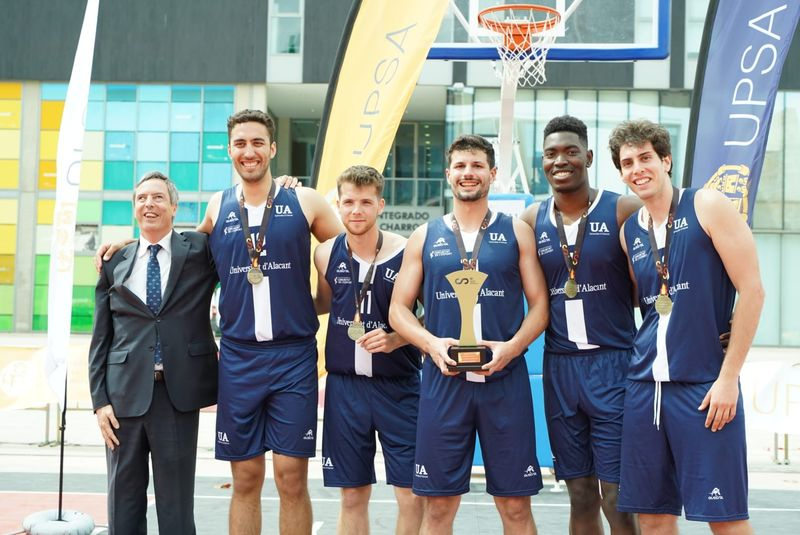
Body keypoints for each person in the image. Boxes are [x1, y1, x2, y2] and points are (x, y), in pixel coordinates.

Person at [389, 134, 550, 534]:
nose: (468, 173)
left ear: (493, 174)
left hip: (503, 382)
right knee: (439, 510)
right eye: (460, 166)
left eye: (477, 165)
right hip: (444, 385)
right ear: (448, 175)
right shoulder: (425, 236)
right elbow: (397, 310)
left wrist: (513, 349)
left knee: (515, 507)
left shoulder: (517, 232)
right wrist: (430, 343)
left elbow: (541, 307)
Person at [610, 119, 764, 534]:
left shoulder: (707, 205)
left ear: (666, 160)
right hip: (645, 389)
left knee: (725, 519)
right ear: (621, 173)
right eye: (627, 163)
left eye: (646, 158)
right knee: (654, 520)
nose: (637, 168)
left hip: (703, 387)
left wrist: (728, 377)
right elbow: (650, 312)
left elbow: (752, 291)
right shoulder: (630, 233)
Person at [196, 109, 342, 535]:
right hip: (239, 358)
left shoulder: (305, 200)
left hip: (293, 357)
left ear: (273, 148)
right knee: (245, 478)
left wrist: (318, 302)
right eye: (240, 143)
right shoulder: (217, 204)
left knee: (291, 477)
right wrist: (132, 243)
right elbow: (181, 250)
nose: (249, 151)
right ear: (230, 151)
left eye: (258, 142)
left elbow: (351, 251)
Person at [519, 115, 640, 534]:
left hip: (616, 365)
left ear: (588, 157)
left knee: (618, 496)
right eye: (551, 153)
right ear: (542, 162)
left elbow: (675, 260)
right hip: (561, 368)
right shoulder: (530, 220)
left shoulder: (624, 208)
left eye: (571, 151)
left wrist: (720, 312)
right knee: (580, 492)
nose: (561, 160)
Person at [88, 171, 219, 534]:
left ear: (174, 207)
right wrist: (100, 401)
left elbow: (240, 232)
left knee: (176, 509)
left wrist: (283, 185)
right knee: (123, 506)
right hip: (122, 398)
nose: (149, 203)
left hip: (176, 396)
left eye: (158, 197)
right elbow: (101, 337)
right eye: (142, 198)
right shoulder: (115, 262)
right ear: (134, 207)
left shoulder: (199, 252)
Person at [313, 165, 423, 534]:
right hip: (345, 389)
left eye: (365, 202)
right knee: (351, 495)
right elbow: (326, 303)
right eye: (348, 202)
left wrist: (396, 338)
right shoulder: (325, 255)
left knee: (410, 493)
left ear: (381, 204)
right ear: (338, 205)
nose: (356, 210)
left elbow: (434, 320)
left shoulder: (407, 251)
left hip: (400, 387)